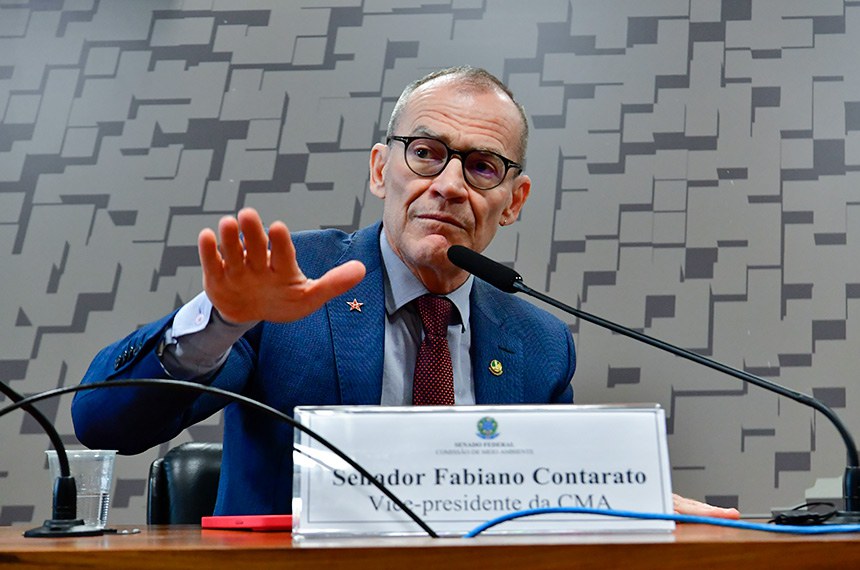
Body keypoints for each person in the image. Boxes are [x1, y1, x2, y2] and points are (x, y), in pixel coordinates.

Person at [72, 66, 738, 520]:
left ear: (512, 201)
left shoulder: (539, 343)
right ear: (380, 168)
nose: (449, 184)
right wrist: (224, 321)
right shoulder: (292, 283)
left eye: (481, 166)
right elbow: (106, 425)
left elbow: (545, 501)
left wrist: (624, 503)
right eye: (426, 152)